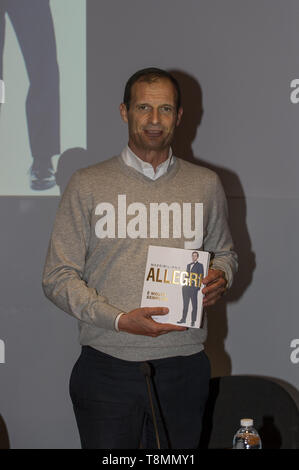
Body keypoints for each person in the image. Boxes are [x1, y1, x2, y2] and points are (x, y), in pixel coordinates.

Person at [42, 67, 238, 449]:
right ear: (124, 112)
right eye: (143, 107)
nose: (153, 120)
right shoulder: (87, 184)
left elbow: (225, 253)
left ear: (179, 116)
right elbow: (57, 276)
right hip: (107, 365)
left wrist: (220, 275)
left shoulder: (205, 184)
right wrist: (118, 319)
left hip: (184, 365)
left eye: (165, 109)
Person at [177, 251, 204, 327]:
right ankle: (183, 319)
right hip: (186, 288)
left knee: (194, 305)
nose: (193, 257)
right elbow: (186, 275)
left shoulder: (200, 265)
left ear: (197, 257)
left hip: (193, 288)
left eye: (195, 256)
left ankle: (193, 321)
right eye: (193, 256)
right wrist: (183, 285)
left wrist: (197, 288)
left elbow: (200, 276)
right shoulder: (188, 265)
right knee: (185, 305)